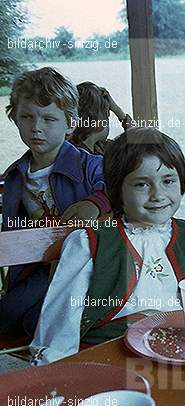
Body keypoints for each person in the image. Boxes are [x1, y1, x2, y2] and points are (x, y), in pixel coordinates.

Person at [30, 127, 185, 364]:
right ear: (117, 190)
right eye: (142, 184)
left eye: (168, 180)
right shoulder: (90, 243)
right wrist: (56, 370)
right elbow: (61, 323)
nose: (158, 195)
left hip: (176, 352)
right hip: (108, 357)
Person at [1, 67, 111, 338]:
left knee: (30, 322)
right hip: (35, 270)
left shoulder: (91, 165)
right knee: (12, 319)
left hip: (83, 270)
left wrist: (96, 202)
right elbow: (10, 232)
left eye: (49, 118)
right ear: (14, 118)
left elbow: (119, 186)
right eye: (27, 116)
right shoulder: (14, 177)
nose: (36, 127)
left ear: (71, 123)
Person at [70, 81, 135, 155]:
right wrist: (118, 112)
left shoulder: (99, 147)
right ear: (98, 119)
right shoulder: (81, 157)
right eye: (107, 116)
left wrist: (117, 110)